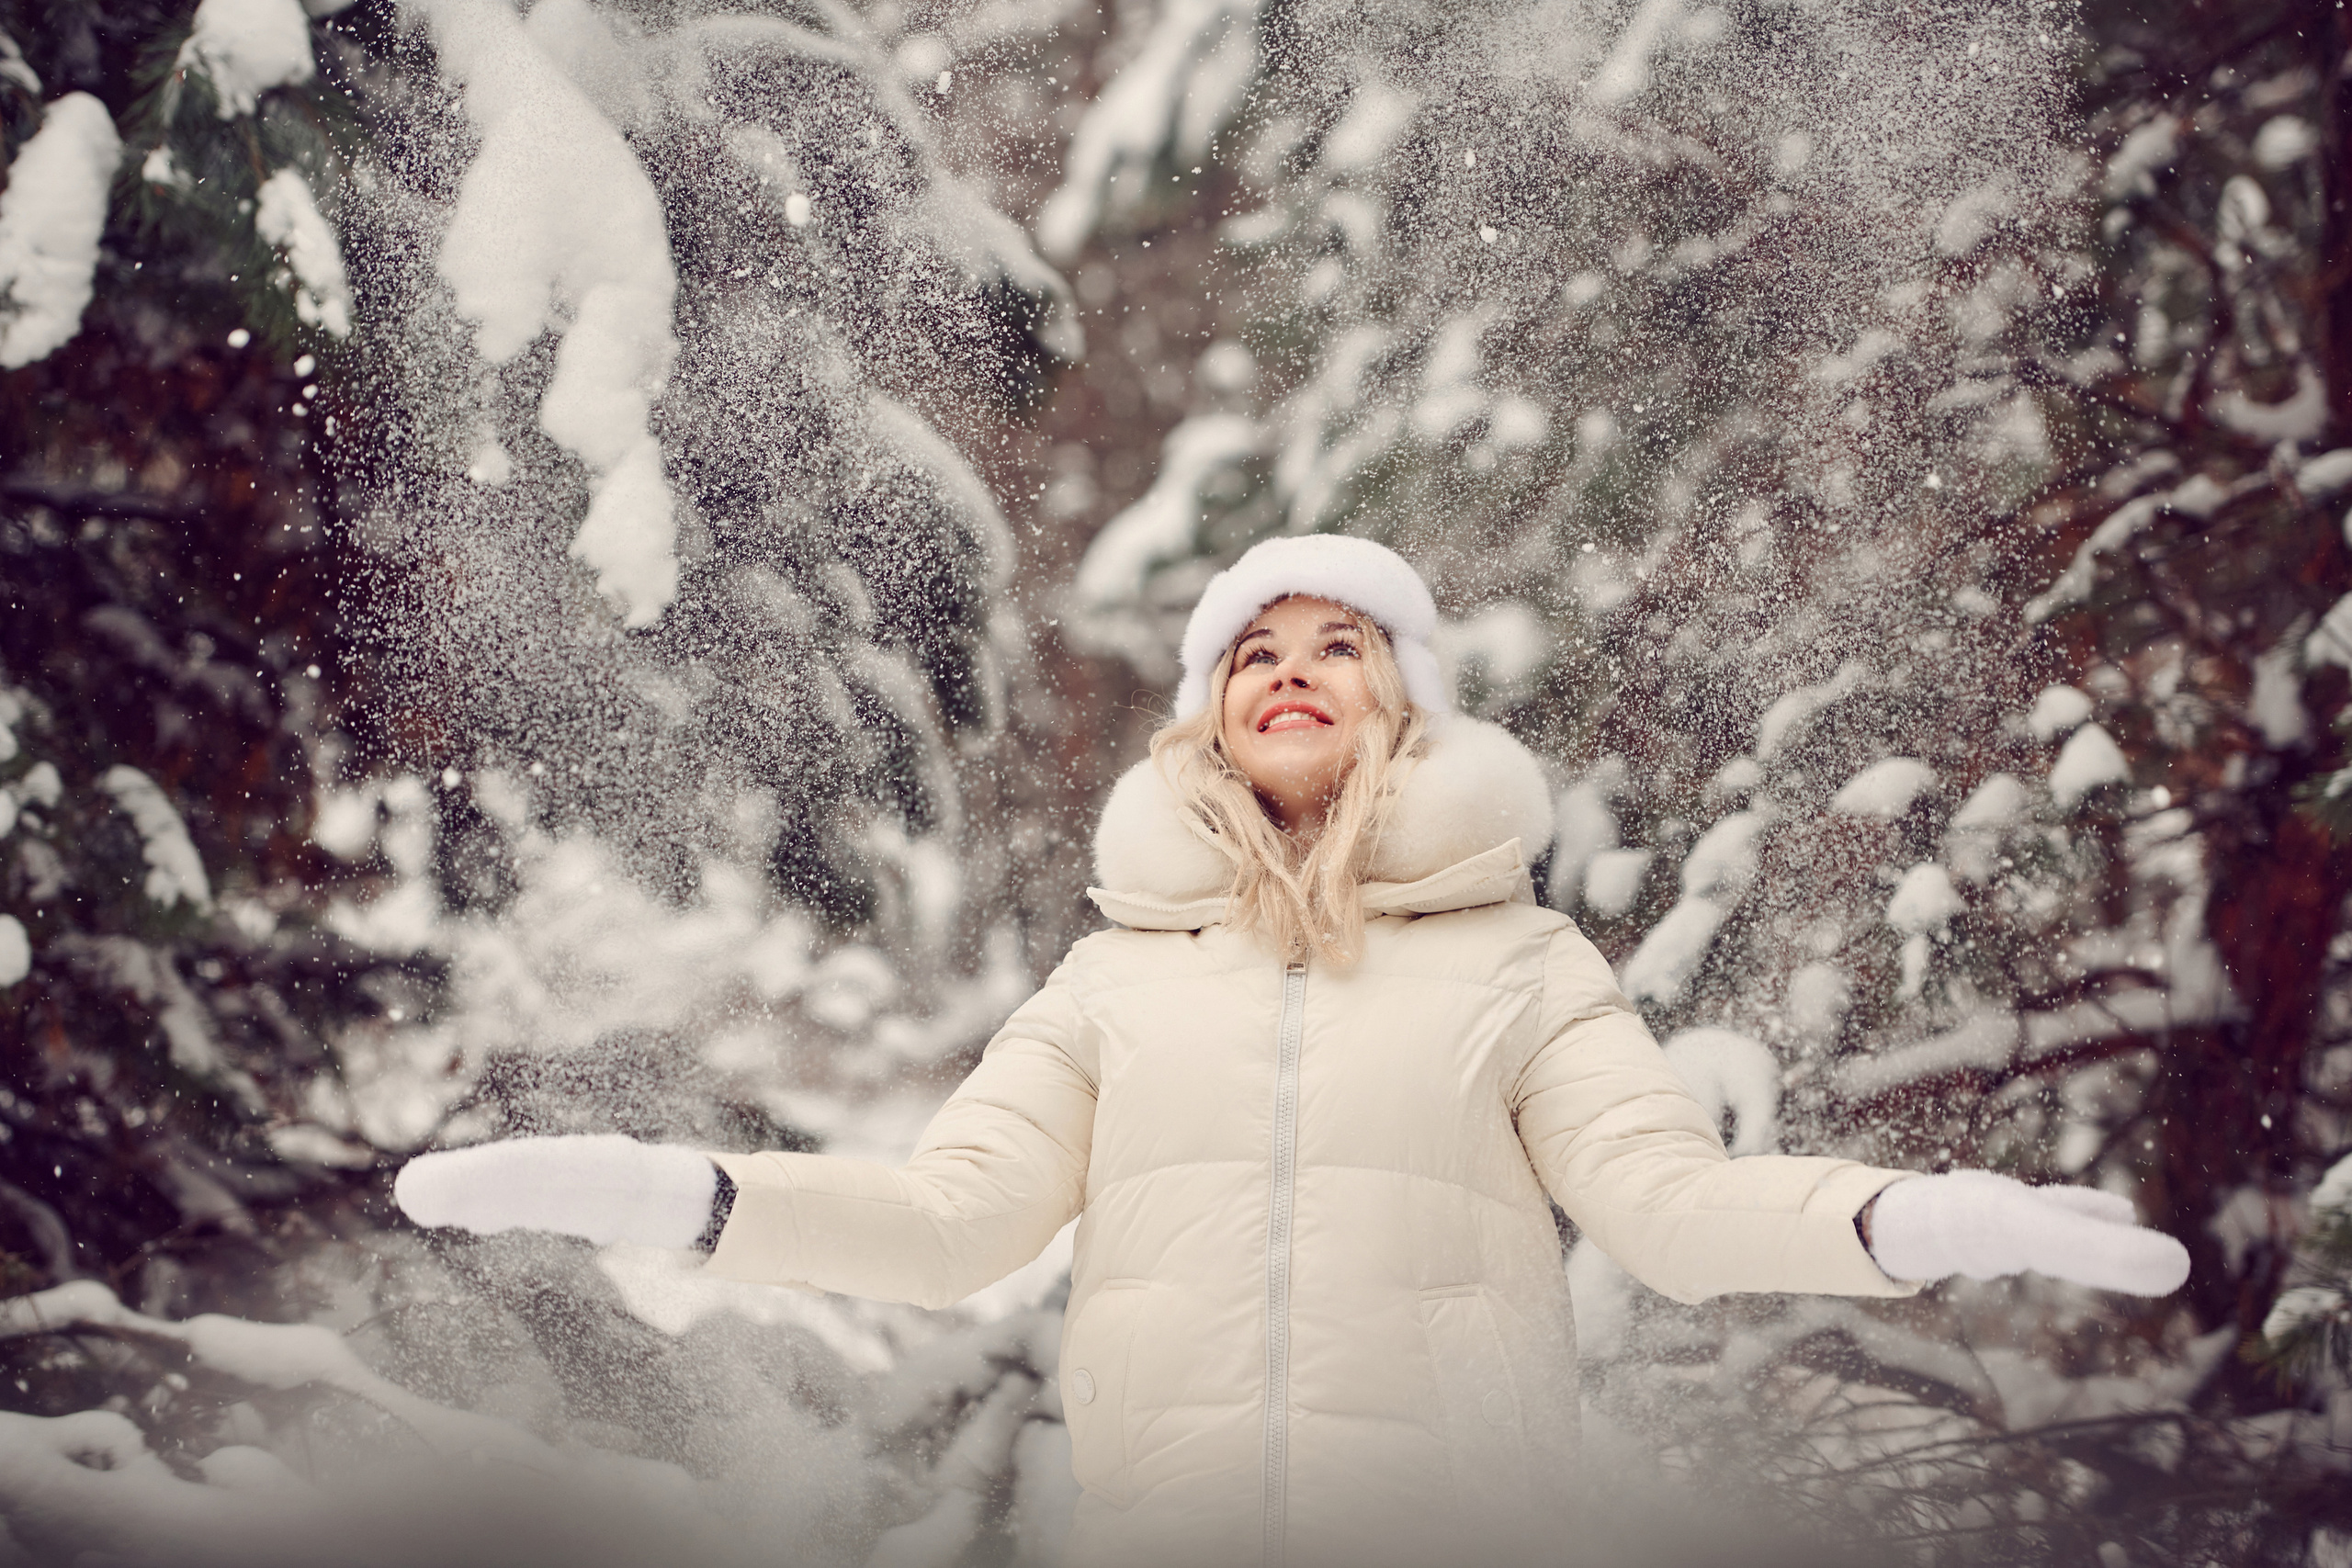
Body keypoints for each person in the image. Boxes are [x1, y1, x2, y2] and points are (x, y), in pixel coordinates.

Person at [396, 536, 2190, 1568]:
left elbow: (1671, 1208)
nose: (1291, 666)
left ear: (1403, 698)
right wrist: (679, 1193)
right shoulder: (1117, 978)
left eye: (1341, 643)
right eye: (1253, 647)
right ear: (1209, 708)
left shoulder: (1519, 961)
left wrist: (1905, 1223)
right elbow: (950, 1221)